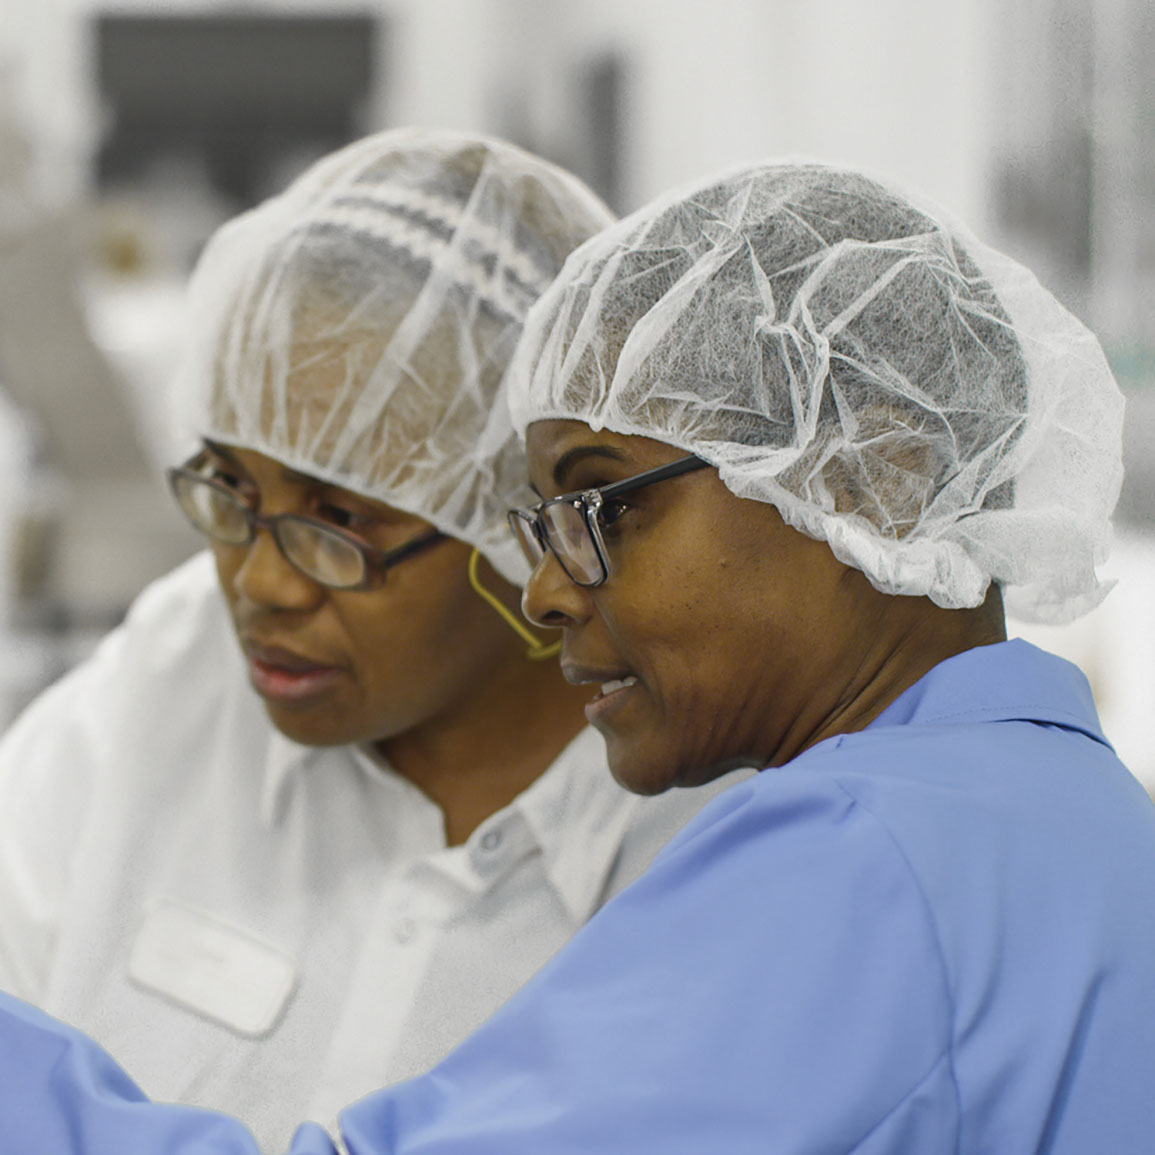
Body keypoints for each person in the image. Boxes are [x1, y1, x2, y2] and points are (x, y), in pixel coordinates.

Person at [5, 159, 1155, 1155]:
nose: (545, 588)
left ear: (873, 473)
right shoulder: (1075, 824)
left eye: (601, 506)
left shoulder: (858, 862)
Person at [0, 130, 738, 1152]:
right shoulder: (167, 682)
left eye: (339, 522)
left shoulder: (698, 831)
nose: (258, 583)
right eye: (230, 489)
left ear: (517, 532)